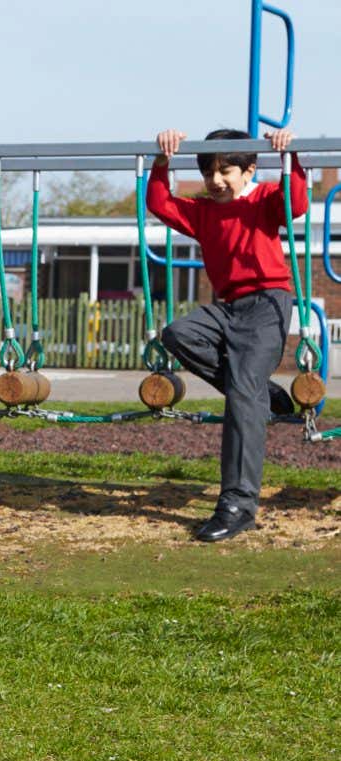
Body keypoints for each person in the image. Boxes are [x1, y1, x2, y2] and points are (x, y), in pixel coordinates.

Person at [147, 127, 306, 542]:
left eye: (226, 171)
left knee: (241, 395)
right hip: (227, 306)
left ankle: (237, 504)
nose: (216, 181)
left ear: (249, 168)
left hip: (268, 304)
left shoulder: (267, 198)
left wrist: (289, 158)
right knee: (179, 334)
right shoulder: (203, 212)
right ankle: (263, 394)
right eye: (208, 173)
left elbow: (298, 202)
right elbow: (159, 203)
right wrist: (163, 160)